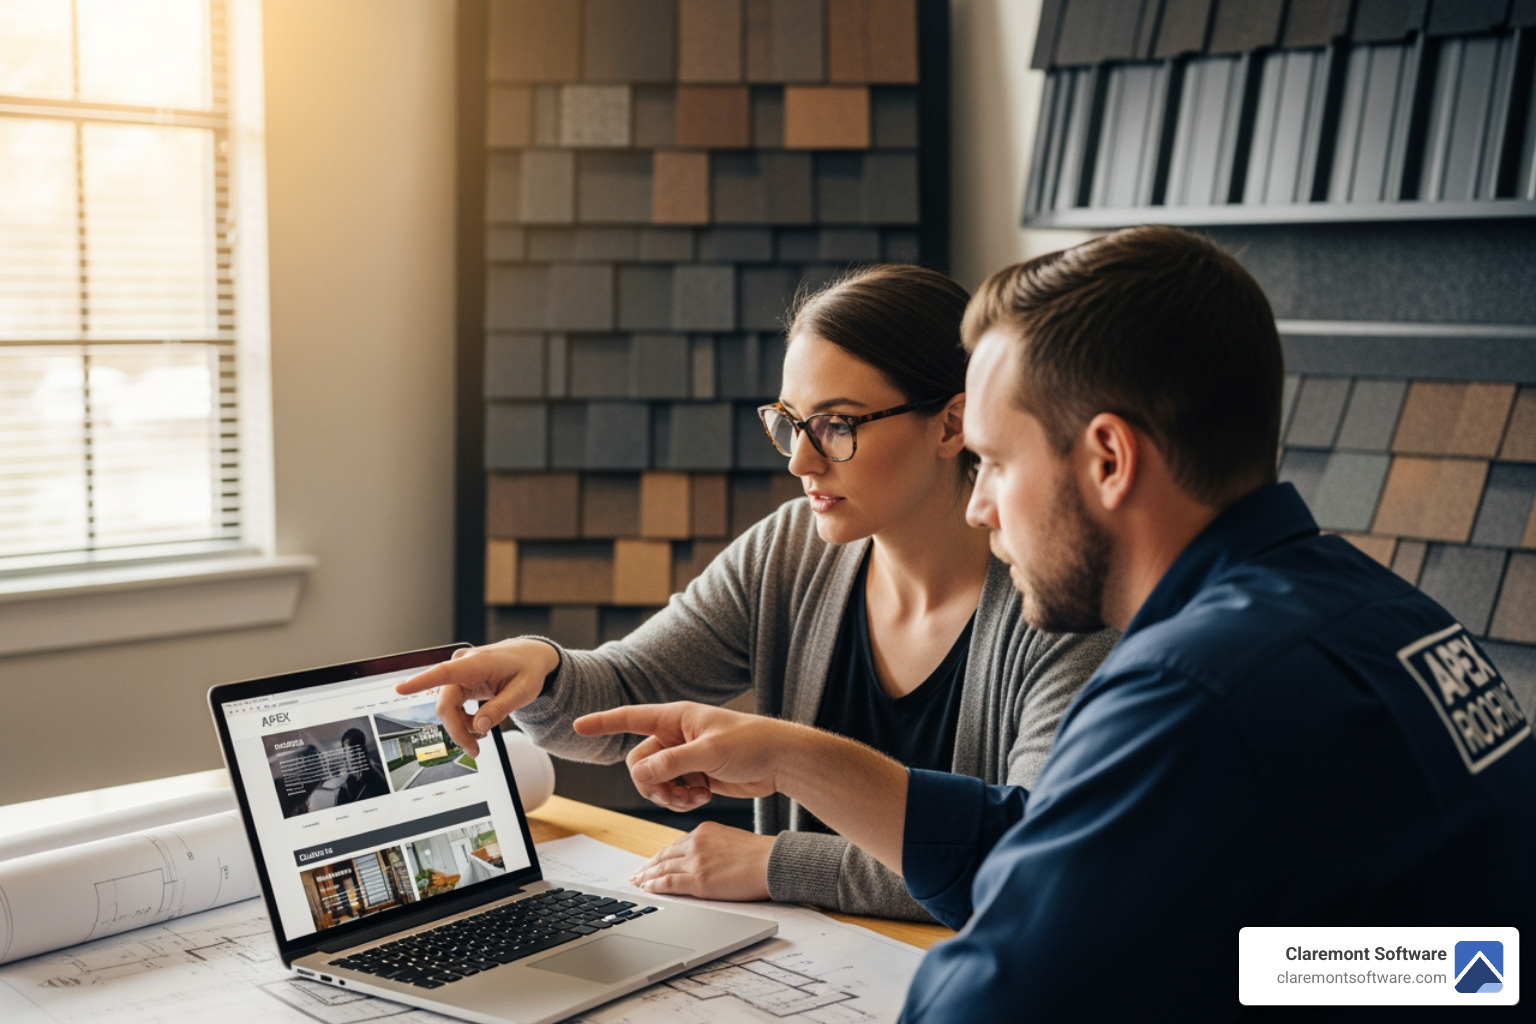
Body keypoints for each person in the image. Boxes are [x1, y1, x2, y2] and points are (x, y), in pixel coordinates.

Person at [574, 226, 1536, 1020]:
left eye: (994, 461)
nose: (980, 505)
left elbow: (981, 1003)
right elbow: (1463, 965)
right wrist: (793, 759)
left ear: (1109, 460)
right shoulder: (1378, 610)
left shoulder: (1189, 693)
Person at [399, 264, 1116, 920]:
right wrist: (541, 671)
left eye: (836, 426)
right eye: (790, 423)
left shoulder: (1062, 605)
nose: (801, 460)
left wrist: (778, 863)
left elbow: (1033, 863)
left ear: (951, 425)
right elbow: (622, 699)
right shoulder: (789, 551)